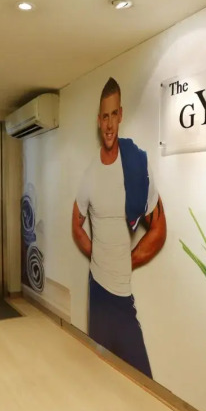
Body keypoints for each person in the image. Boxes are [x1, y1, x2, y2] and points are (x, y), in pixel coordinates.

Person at [72, 77, 167, 379]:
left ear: (121, 115)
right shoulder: (90, 174)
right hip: (98, 291)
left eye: (114, 114)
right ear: (98, 121)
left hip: (123, 296)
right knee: (99, 373)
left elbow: (159, 228)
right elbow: (76, 225)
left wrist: (128, 261)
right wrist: (97, 255)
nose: (109, 124)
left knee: (143, 379)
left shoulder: (136, 165)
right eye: (104, 116)